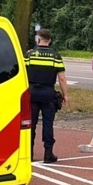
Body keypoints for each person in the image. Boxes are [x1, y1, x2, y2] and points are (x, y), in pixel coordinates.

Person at [24, 28, 69, 163]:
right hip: (48, 93)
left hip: (32, 92)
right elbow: (62, 78)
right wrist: (65, 95)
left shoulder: (30, 54)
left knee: (31, 124)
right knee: (48, 123)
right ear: (50, 41)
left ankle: (29, 153)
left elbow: (23, 74)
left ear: (38, 40)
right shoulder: (55, 56)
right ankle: (48, 154)